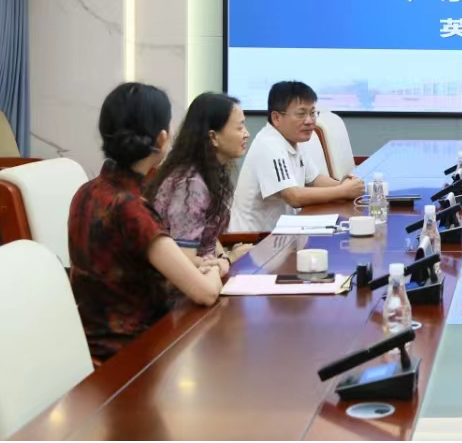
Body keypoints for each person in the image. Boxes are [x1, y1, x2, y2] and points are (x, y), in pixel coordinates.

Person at [68, 83, 225, 362]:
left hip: (89, 345)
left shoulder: (85, 192)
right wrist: (219, 265)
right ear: (162, 138)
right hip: (136, 353)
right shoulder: (132, 209)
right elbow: (205, 294)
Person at [229, 81, 364, 233]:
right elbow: (293, 196)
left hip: (283, 231)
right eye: (301, 114)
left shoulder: (296, 139)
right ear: (276, 118)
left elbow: (314, 179)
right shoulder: (268, 144)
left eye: (312, 113)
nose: (309, 121)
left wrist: (345, 186)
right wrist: (343, 191)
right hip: (253, 239)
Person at [147, 92, 249, 276]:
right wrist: (229, 259)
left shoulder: (211, 172)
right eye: (240, 127)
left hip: (206, 274)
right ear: (213, 137)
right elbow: (184, 260)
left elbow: (207, 236)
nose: (246, 134)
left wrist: (222, 255)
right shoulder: (190, 185)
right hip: (182, 285)